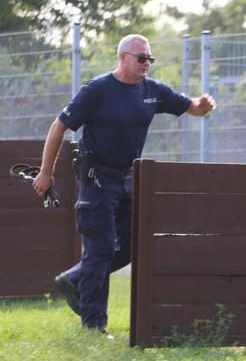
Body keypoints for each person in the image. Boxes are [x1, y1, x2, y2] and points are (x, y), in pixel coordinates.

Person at [32, 34, 216, 337]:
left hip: (129, 178)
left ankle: (76, 279)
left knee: (133, 244)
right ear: (123, 58)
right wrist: (45, 173)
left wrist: (204, 105)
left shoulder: (152, 90)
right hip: (96, 179)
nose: (147, 64)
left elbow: (191, 106)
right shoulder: (98, 90)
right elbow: (59, 126)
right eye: (141, 58)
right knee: (101, 249)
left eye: (150, 59)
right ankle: (94, 326)